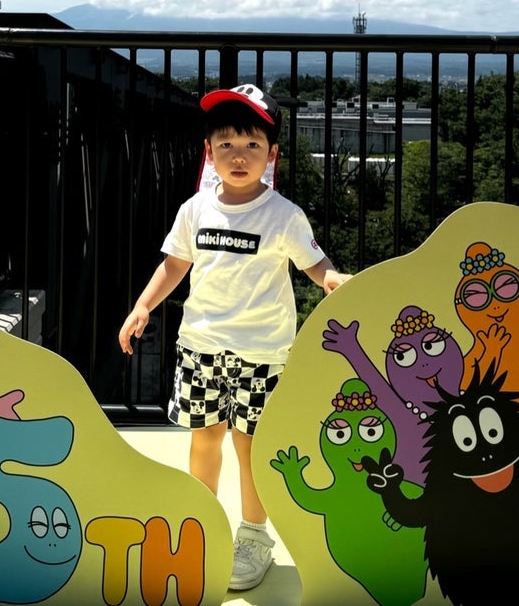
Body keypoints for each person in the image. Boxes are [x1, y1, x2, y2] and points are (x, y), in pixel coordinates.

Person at [118, 83, 349, 592]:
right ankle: (203, 525)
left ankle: (253, 537)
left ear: (272, 154)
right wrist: (143, 305)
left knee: (251, 447)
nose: (238, 156)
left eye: (251, 145)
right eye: (226, 144)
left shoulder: (283, 215)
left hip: (261, 354)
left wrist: (331, 279)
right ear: (209, 152)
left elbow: (315, 263)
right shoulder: (195, 209)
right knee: (204, 440)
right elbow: (174, 265)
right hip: (200, 346)